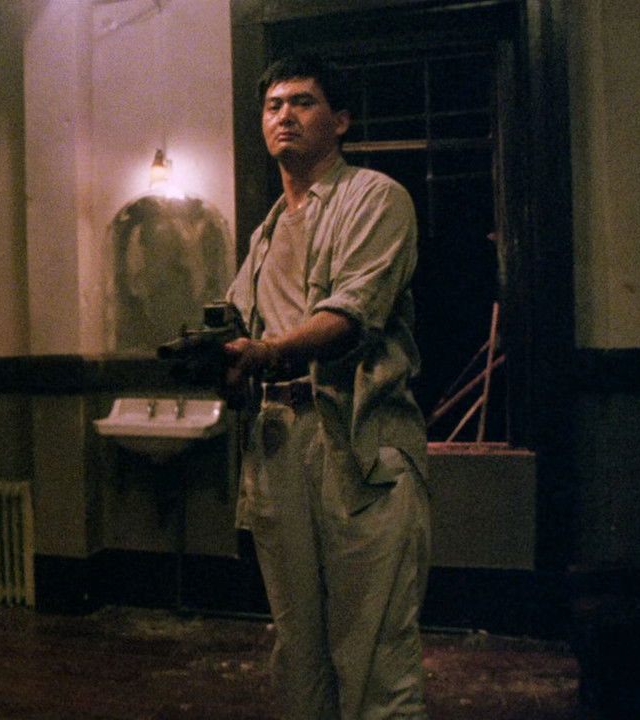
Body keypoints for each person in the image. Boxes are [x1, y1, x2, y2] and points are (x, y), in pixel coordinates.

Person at [222, 55, 431, 720]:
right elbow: (241, 326)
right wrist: (225, 361)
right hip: (279, 445)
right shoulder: (265, 234)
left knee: (374, 653)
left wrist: (266, 352)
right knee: (298, 653)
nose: (284, 115)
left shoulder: (374, 198)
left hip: (357, 444)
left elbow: (351, 317)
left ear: (340, 121)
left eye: (302, 102)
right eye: (273, 105)